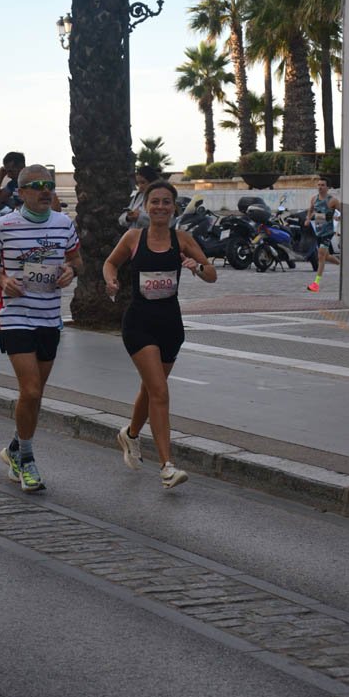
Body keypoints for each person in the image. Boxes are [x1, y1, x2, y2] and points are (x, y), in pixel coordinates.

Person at [103, 179, 217, 489]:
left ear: (174, 207)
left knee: (151, 389)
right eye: (155, 201)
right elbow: (110, 263)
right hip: (139, 323)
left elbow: (212, 275)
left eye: (167, 202)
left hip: (171, 325)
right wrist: (111, 281)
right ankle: (167, 466)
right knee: (160, 393)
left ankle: (130, 435)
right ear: (145, 206)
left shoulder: (182, 240)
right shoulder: (133, 238)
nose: (161, 207)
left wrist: (197, 267)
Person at [0, 164, 82, 493]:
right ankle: (27, 459)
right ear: (20, 192)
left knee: (33, 396)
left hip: (50, 317)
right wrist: (2, 279)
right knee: (32, 390)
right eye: (36, 186)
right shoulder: (4, 225)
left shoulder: (64, 224)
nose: (44, 190)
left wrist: (69, 271)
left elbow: (77, 261)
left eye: (48, 185)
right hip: (15, 315)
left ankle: (13, 449)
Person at [305, 178, 341, 293]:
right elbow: (310, 210)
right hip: (319, 230)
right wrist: (308, 219)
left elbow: (342, 212)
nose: (320, 187)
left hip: (328, 232)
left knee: (320, 255)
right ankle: (343, 266)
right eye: (319, 185)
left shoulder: (333, 201)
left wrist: (338, 217)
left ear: (327, 187)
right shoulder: (314, 199)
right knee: (326, 256)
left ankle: (316, 283)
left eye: (323, 185)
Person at [118, 166, 159, 232]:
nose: (140, 186)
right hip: (133, 238)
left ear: (152, 182)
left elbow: (163, 222)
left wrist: (139, 217)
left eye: (143, 182)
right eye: (138, 183)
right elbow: (121, 219)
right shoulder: (138, 196)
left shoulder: (161, 198)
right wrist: (128, 217)